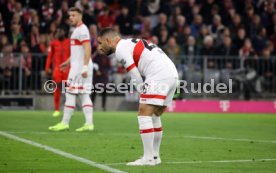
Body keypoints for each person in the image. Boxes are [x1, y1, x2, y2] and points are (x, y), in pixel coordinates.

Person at [97, 28, 178, 166]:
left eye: (100, 43)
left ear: (108, 41)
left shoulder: (121, 49)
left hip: (159, 75)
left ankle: (147, 158)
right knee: (154, 115)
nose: (99, 48)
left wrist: (142, 94)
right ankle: (155, 157)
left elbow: (134, 74)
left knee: (143, 114)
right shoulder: (130, 43)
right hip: (173, 75)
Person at [48, 7, 94, 132]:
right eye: (70, 16)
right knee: (84, 95)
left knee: (69, 93)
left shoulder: (82, 30)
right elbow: (77, 51)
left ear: (80, 15)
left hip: (80, 68)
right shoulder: (78, 30)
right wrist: (68, 62)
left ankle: (64, 123)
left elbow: (87, 48)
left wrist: (84, 67)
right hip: (79, 66)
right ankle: (89, 124)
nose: (71, 18)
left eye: (74, 15)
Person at [45, 27, 70, 117]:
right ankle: (56, 109)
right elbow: (49, 57)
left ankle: (69, 110)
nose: (59, 33)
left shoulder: (69, 42)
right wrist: (47, 68)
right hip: (57, 70)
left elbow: (73, 55)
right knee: (57, 90)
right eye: (57, 32)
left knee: (68, 91)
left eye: (61, 31)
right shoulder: (53, 44)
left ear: (64, 32)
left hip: (67, 70)